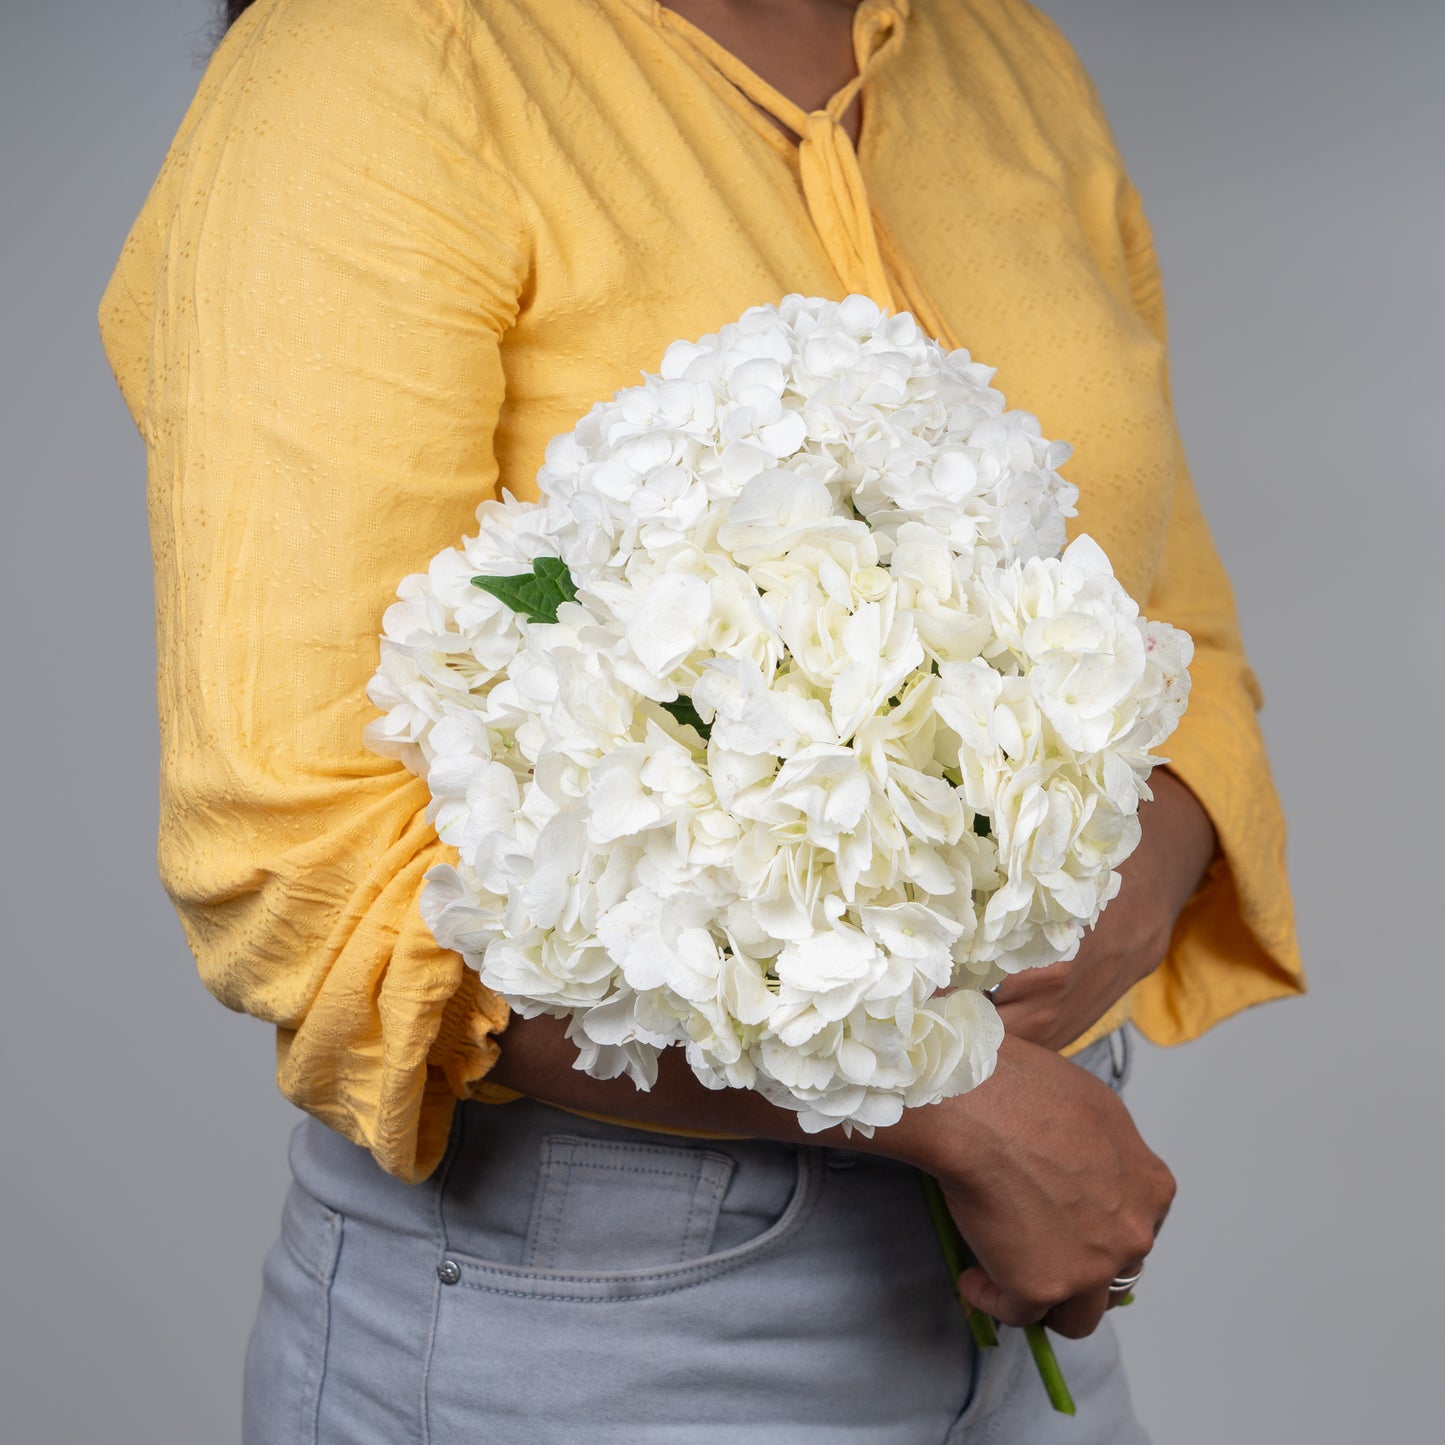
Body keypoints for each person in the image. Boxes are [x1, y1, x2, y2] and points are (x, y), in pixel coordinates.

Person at [99, 0, 1304, 1439]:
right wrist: (948, 1092)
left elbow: (1183, 652)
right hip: (612, 1304)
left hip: (1047, 1225)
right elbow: (308, 862)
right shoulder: (376, 66)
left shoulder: (1006, 59)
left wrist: (1108, 910)